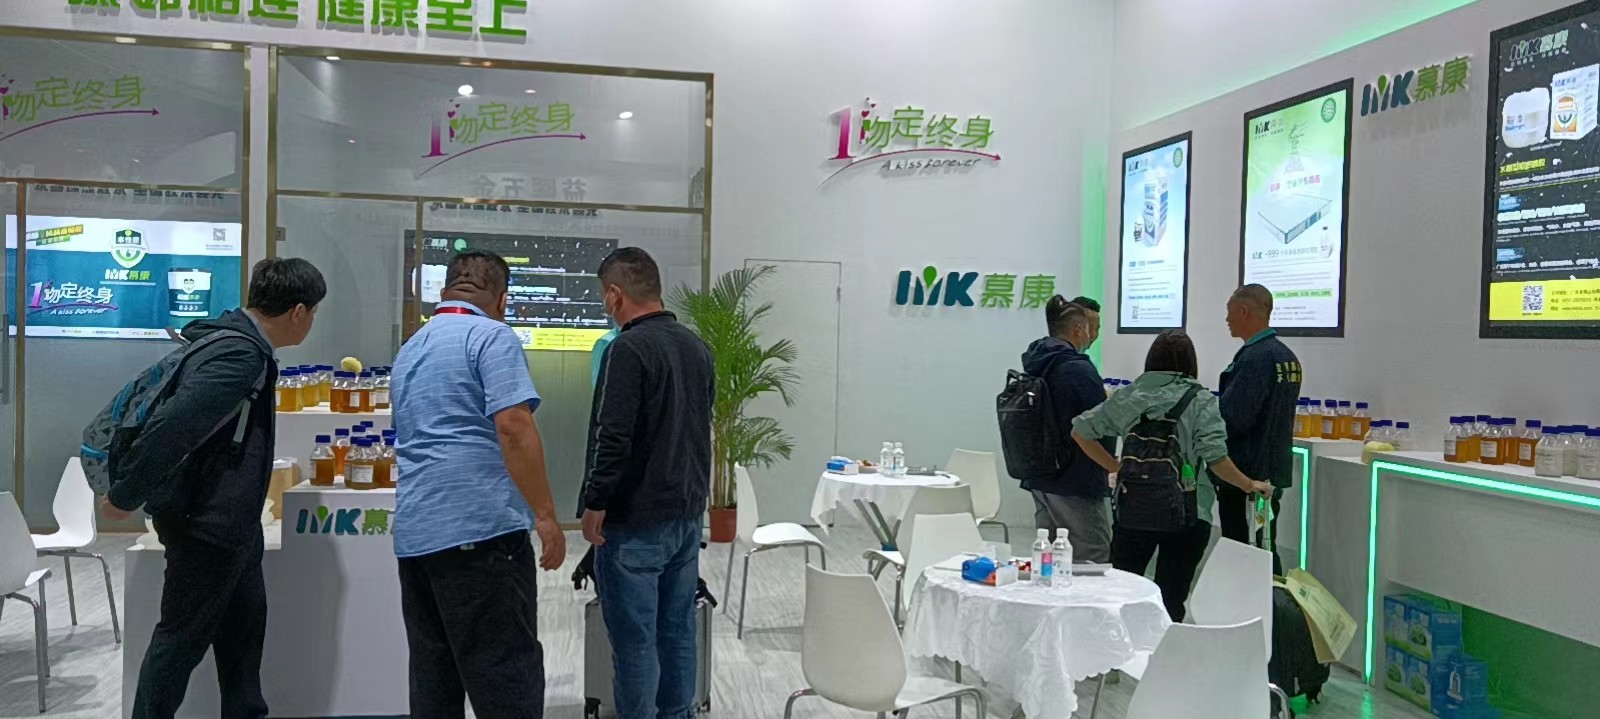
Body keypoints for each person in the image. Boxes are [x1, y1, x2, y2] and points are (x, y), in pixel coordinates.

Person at [104, 257, 326, 719]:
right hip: (207, 525)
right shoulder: (239, 355)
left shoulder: (236, 341)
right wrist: (124, 496)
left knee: (242, 638)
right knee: (179, 642)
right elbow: (172, 428)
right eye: (314, 312)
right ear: (299, 312)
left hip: (233, 524)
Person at [391, 250, 567, 719]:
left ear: (445, 290)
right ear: (502, 300)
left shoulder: (411, 349)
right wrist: (546, 516)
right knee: (506, 680)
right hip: (481, 535)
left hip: (416, 539)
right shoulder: (491, 336)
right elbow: (513, 427)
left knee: (434, 682)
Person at [580, 247, 714, 719]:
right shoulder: (697, 347)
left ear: (615, 295)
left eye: (604, 296)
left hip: (634, 521)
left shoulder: (627, 349)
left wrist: (595, 502)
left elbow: (613, 436)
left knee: (635, 643)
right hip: (685, 516)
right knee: (677, 631)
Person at [1070, 330, 1274, 621]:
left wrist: (1116, 467)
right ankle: (1163, 647)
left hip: (1132, 509)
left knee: (1120, 594)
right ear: (1191, 363)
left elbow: (1080, 431)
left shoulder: (1129, 396)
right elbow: (1216, 459)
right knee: (1171, 598)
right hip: (1189, 513)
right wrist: (1248, 484)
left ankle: (1119, 647)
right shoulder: (1202, 401)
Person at [1018, 295, 1113, 562]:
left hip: (1040, 472)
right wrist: (1113, 465)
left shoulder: (1037, 362)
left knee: (1048, 553)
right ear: (1079, 329)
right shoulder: (1077, 369)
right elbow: (1094, 426)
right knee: (1092, 554)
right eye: (1092, 328)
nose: (1093, 335)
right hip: (1074, 477)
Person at [1215, 284, 1302, 567]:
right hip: (1272, 468)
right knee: (1264, 542)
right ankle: (1270, 593)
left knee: (1246, 549)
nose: (1227, 319)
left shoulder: (1255, 358)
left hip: (1246, 475)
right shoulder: (1286, 357)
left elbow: (1235, 417)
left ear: (1244, 311)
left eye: (1229, 312)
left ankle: (1257, 596)